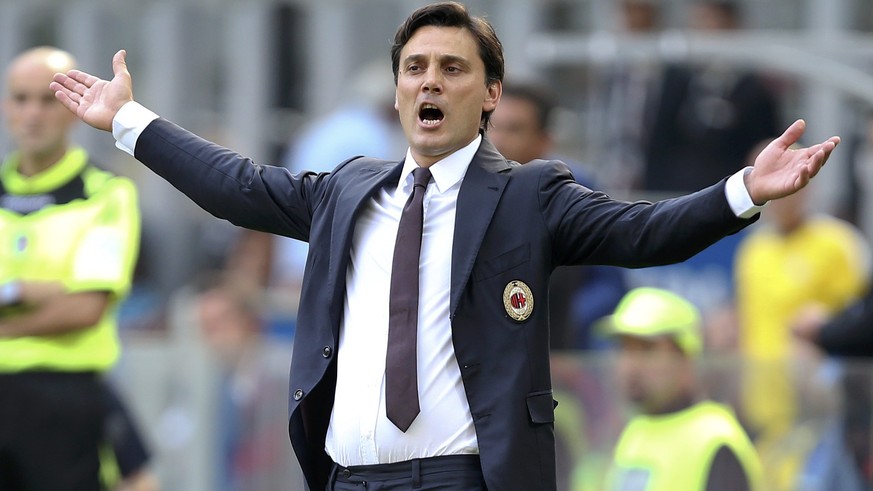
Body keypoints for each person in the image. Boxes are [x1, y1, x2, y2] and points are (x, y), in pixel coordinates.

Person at [51, 2, 839, 490]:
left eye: (453, 68)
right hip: (344, 476)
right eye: (416, 67)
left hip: (459, 478)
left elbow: (641, 231)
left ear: (489, 93)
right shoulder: (348, 189)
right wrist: (130, 122)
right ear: (396, 90)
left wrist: (742, 190)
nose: (431, 81)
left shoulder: (529, 194)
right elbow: (238, 186)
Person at [0, 47, 143, 490]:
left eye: (47, 99)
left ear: (72, 106)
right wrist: (29, 290)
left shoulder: (105, 194)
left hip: (64, 403)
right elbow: (70, 298)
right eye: (20, 99)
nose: (32, 114)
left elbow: (85, 309)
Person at [488, 81, 627, 350]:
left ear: (544, 140)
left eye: (514, 129)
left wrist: (554, 320)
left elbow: (610, 284)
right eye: (493, 127)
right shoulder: (462, 188)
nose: (499, 141)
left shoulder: (577, 190)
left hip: (557, 354)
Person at [600, 287, 763, 490]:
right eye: (624, 348)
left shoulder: (715, 439)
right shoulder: (635, 432)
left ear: (686, 357)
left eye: (647, 349)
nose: (630, 365)